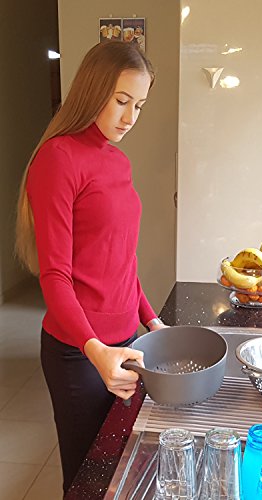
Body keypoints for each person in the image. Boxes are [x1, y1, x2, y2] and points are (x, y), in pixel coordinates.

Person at [15, 41, 165, 495]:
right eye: (121, 100)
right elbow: (55, 275)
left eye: (139, 105)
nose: (130, 117)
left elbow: (122, 259)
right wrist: (95, 348)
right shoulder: (58, 158)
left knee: (122, 469)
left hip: (126, 342)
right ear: (93, 90)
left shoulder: (118, 161)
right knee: (88, 481)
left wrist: (151, 321)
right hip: (79, 353)